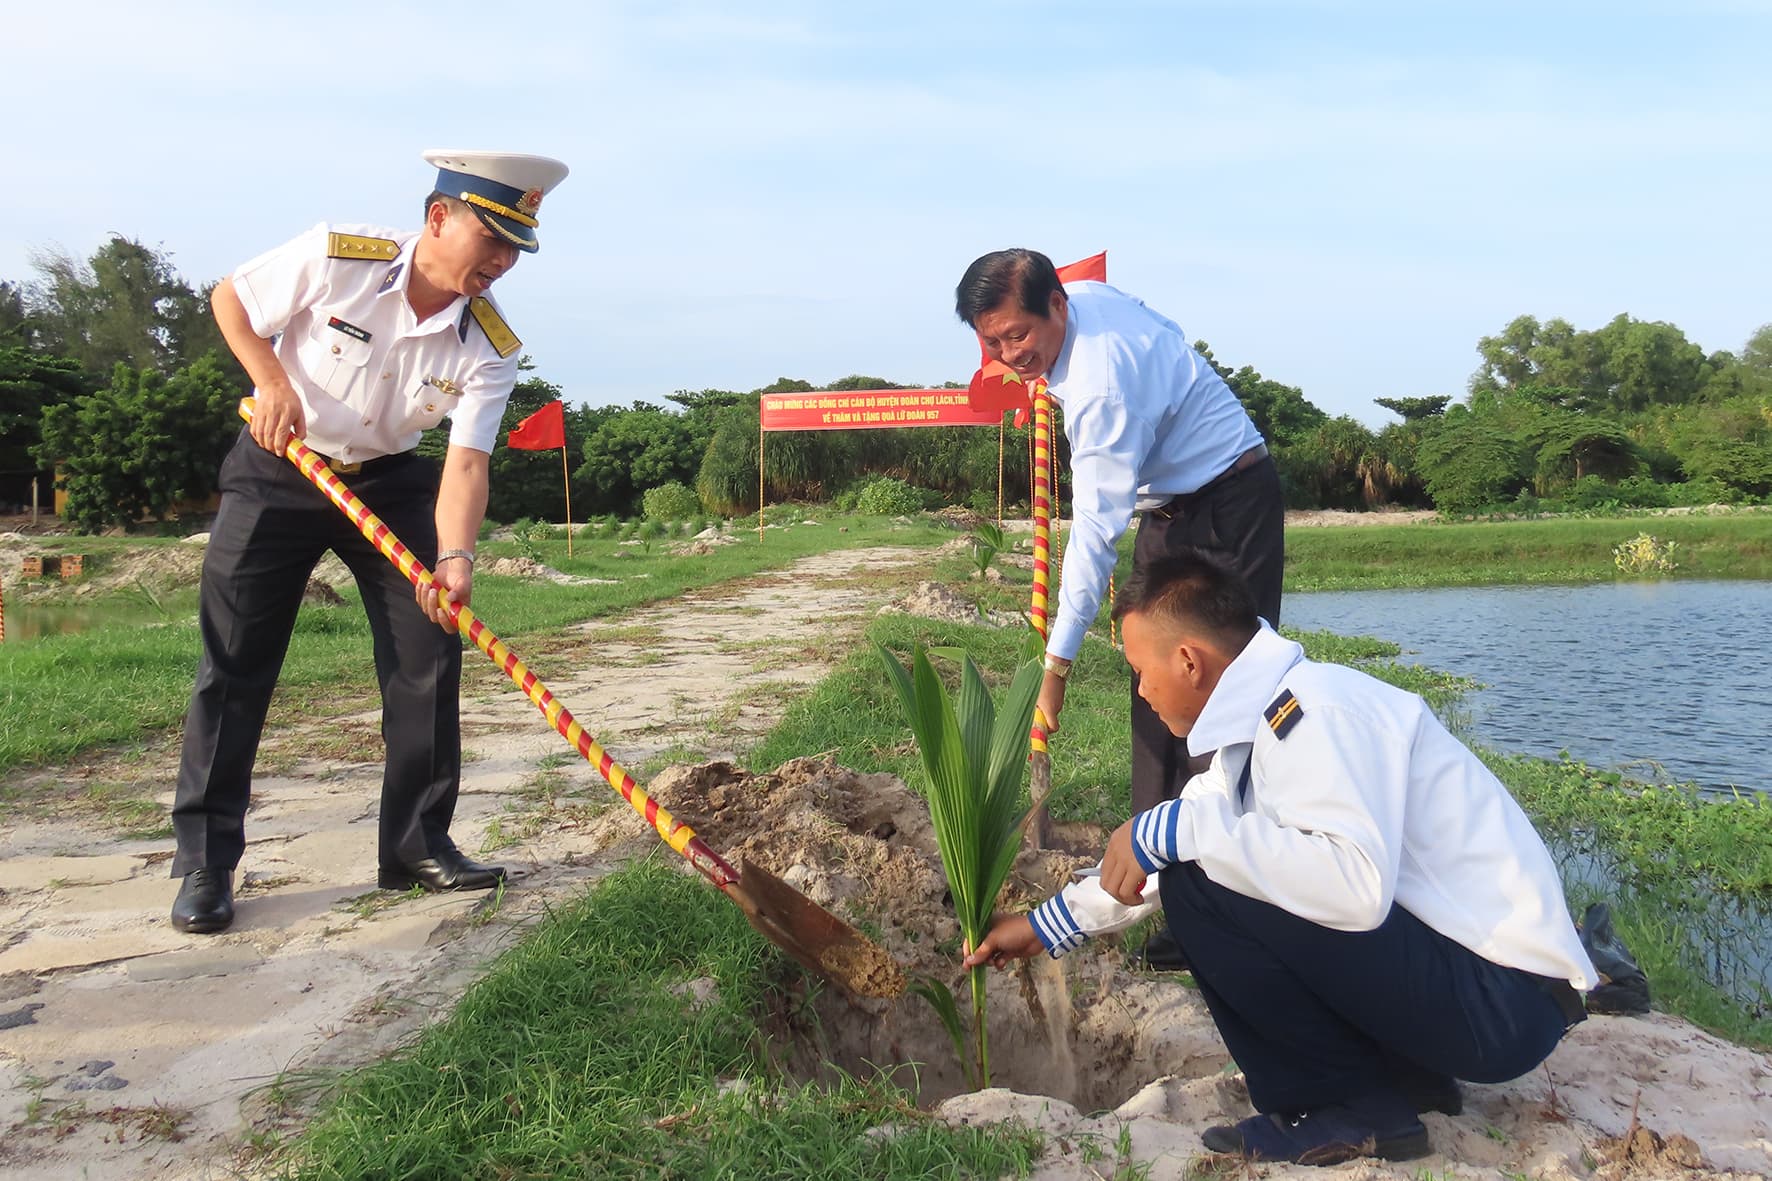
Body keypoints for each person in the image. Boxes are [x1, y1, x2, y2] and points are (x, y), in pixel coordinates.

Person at [963, 550, 1597, 1165]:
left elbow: (1354, 887)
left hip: (1502, 1004)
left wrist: (1174, 827)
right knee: (1199, 855)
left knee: (1196, 881)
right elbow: (1194, 845)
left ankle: (1342, 1107)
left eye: (1139, 670)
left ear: (1188, 661)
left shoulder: (1314, 714)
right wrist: (1044, 927)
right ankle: (1403, 1082)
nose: (1141, 690)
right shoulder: (1263, 726)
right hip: (1483, 990)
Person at [169, 150, 569, 935]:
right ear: (438, 218)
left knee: (429, 648)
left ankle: (416, 845)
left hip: (388, 481)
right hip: (282, 464)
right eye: (491, 239)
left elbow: (465, 462)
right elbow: (232, 301)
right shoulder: (339, 256)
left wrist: (455, 557)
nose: (501, 262)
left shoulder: (490, 343)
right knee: (237, 661)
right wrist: (271, 380)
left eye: (515, 250)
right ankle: (207, 864)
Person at [955, 249, 1284, 968]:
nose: (1013, 355)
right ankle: (1153, 876)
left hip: (1230, 501)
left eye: (1020, 335)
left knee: (1217, 701)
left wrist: (1056, 667)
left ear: (1059, 307)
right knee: (1153, 688)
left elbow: (1096, 534)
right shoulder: (1080, 303)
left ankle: (1222, 913)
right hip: (1170, 507)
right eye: (994, 342)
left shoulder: (1101, 383)